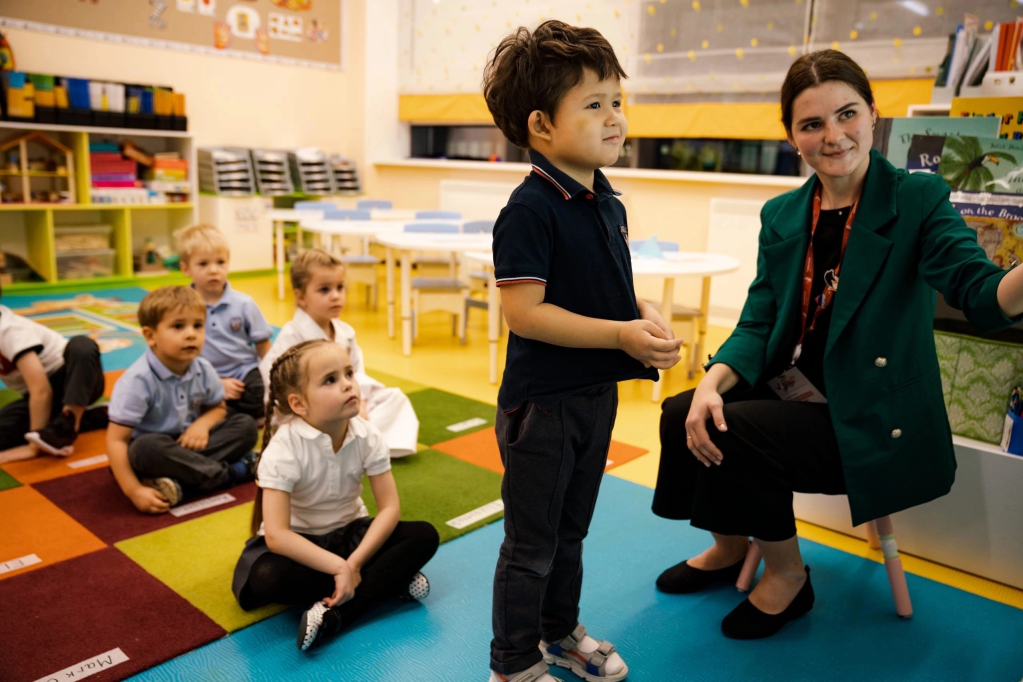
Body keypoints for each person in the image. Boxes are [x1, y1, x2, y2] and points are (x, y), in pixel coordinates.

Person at [652, 50, 1023, 640]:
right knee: (684, 412)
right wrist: (710, 383)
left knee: (737, 431)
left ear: (873, 113)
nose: (833, 135)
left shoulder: (917, 199)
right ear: (791, 136)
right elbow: (757, 323)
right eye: (812, 123)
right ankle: (729, 546)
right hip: (796, 396)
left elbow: (978, 291)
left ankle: (788, 576)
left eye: (847, 114)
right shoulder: (782, 214)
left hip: (871, 416)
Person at [481, 20, 683, 682]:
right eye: (593, 104)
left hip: (594, 396)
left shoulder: (606, 201)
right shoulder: (529, 209)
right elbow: (525, 314)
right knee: (531, 544)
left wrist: (641, 314)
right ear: (541, 125)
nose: (614, 116)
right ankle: (512, 665)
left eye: (616, 100)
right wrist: (620, 335)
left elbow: (606, 288)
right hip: (542, 408)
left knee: (570, 533)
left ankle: (558, 632)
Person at [233, 339, 439, 651]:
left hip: (352, 536)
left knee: (424, 535)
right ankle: (384, 581)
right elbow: (277, 536)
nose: (347, 384)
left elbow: (389, 509)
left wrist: (353, 563)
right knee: (266, 577)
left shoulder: (367, 435)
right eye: (330, 380)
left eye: (349, 373)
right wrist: (339, 567)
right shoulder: (284, 448)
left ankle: (338, 614)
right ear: (299, 404)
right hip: (301, 547)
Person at [107, 286, 259, 513]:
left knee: (245, 426)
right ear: (150, 336)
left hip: (191, 442)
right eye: (178, 326)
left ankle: (182, 482)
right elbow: (116, 441)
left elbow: (218, 408)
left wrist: (202, 425)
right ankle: (233, 472)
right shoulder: (137, 381)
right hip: (158, 450)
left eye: (197, 325)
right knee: (143, 449)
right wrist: (134, 491)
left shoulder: (203, 368)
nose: (191, 334)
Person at [259, 249, 419, 457]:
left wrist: (361, 402)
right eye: (324, 290)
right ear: (301, 297)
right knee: (306, 430)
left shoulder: (345, 333)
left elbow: (357, 374)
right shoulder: (292, 336)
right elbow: (273, 384)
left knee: (395, 398)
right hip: (307, 411)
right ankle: (349, 443)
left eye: (340, 287)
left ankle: (359, 444)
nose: (335, 296)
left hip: (343, 402)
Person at [0, 283, 107, 462]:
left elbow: (41, 390)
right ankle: (90, 417)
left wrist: (33, 447)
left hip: (77, 379)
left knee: (82, 346)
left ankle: (67, 425)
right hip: (42, 396)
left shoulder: (8, 331)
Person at [176, 223, 273, 419]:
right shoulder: (181, 308)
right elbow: (177, 355)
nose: (213, 270)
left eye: (220, 262)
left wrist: (274, 377)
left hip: (244, 371)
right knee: (183, 398)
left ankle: (229, 415)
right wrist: (216, 383)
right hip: (201, 375)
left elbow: (263, 346)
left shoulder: (244, 303)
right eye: (203, 264)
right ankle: (226, 414)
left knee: (261, 393)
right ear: (186, 269)